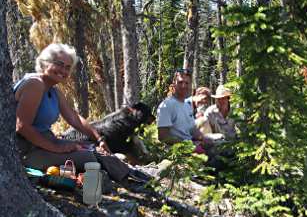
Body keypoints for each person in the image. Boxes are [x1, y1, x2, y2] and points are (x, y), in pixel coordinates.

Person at [14, 43, 130, 183]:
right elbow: (22, 127)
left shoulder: (53, 91)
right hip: (26, 151)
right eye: (59, 64)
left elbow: (74, 118)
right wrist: (57, 148)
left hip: (44, 143)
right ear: (45, 63)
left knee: (89, 149)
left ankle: (124, 175)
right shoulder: (35, 84)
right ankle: (116, 179)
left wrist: (99, 139)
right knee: (88, 157)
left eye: (68, 67)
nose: (63, 70)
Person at [157, 68, 204, 146]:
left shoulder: (187, 105)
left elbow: (192, 130)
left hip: (192, 146)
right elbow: (163, 137)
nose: (183, 86)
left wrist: (204, 139)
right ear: (174, 84)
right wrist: (187, 144)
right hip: (177, 153)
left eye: (186, 83)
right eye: (180, 82)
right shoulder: (166, 105)